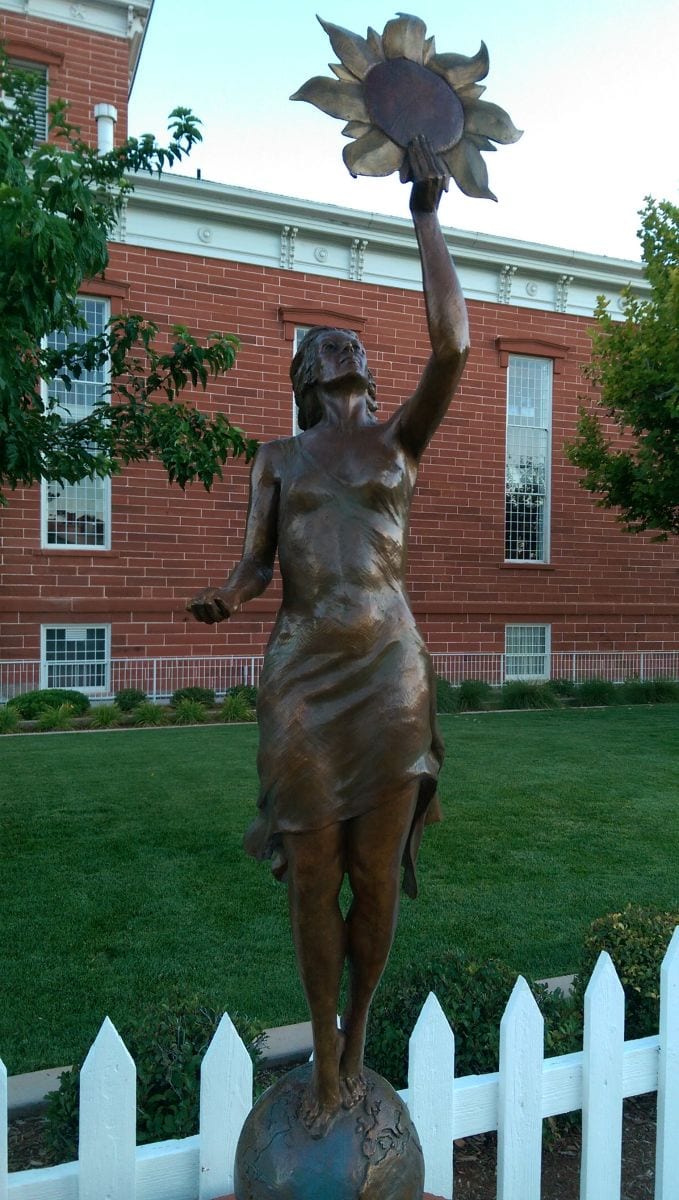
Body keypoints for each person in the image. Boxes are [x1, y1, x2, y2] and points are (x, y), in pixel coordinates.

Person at [188, 145, 469, 1138]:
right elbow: (256, 565)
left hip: (390, 675)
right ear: (305, 376)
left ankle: (356, 1042)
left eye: (349, 341)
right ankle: (319, 1046)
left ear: (363, 369)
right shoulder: (275, 457)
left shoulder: (398, 442)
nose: (338, 347)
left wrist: (425, 217)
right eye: (321, 344)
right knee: (314, 871)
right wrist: (226, 597)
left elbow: (453, 346)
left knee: (377, 873)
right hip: (304, 678)